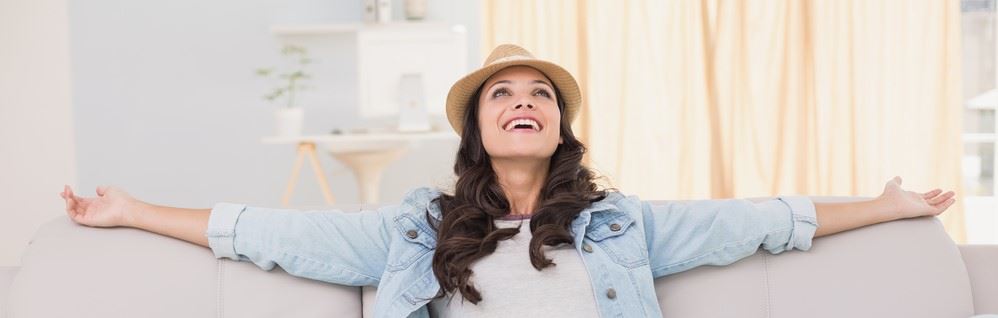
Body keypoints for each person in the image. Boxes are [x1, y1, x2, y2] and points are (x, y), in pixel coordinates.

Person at [60, 44, 956, 318]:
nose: (522, 103)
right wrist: (132, 210)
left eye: (540, 95)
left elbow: (757, 221)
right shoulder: (417, 230)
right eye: (502, 94)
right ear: (477, 129)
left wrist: (884, 207)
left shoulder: (624, 226)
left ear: (559, 127)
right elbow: (277, 234)